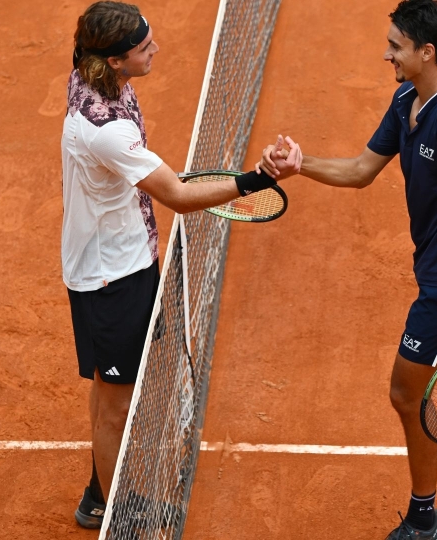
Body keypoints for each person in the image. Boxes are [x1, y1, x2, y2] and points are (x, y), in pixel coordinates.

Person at [257, 0, 437, 538]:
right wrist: (299, 165)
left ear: (427, 52)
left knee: (406, 393)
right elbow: (360, 171)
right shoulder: (408, 99)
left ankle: (423, 521)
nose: (387, 54)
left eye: (396, 47)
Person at [62, 1, 288, 528]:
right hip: (109, 278)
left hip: (121, 258)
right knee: (117, 401)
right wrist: (255, 179)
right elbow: (178, 197)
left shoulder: (93, 73)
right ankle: (114, 509)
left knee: (109, 386)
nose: (155, 50)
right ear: (114, 61)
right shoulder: (107, 131)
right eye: (143, 47)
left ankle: (100, 490)